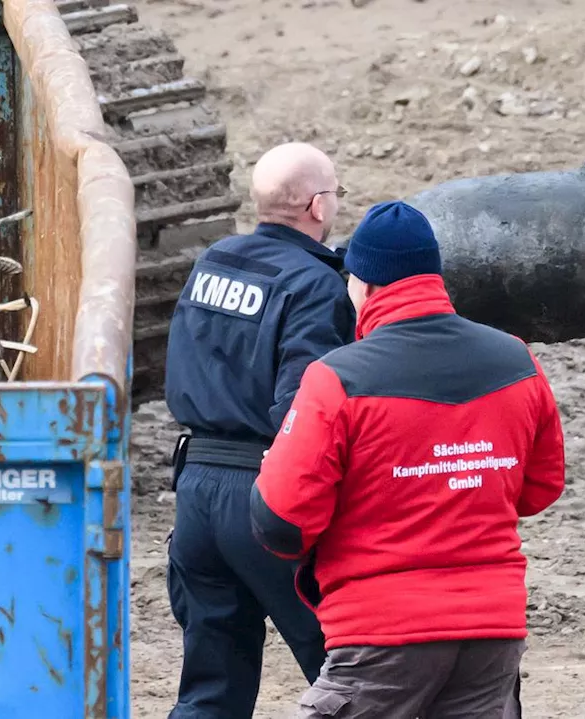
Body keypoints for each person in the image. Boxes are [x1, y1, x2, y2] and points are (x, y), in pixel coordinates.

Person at [248, 200, 566, 719]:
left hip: (380, 635)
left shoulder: (336, 378)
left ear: (366, 285)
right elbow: (541, 486)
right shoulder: (517, 359)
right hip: (492, 631)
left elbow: (281, 522)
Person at [163, 141, 357, 718]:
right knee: (345, 671)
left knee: (210, 686)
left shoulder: (213, 262)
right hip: (267, 496)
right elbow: (304, 409)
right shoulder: (318, 286)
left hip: (195, 491)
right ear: (318, 206)